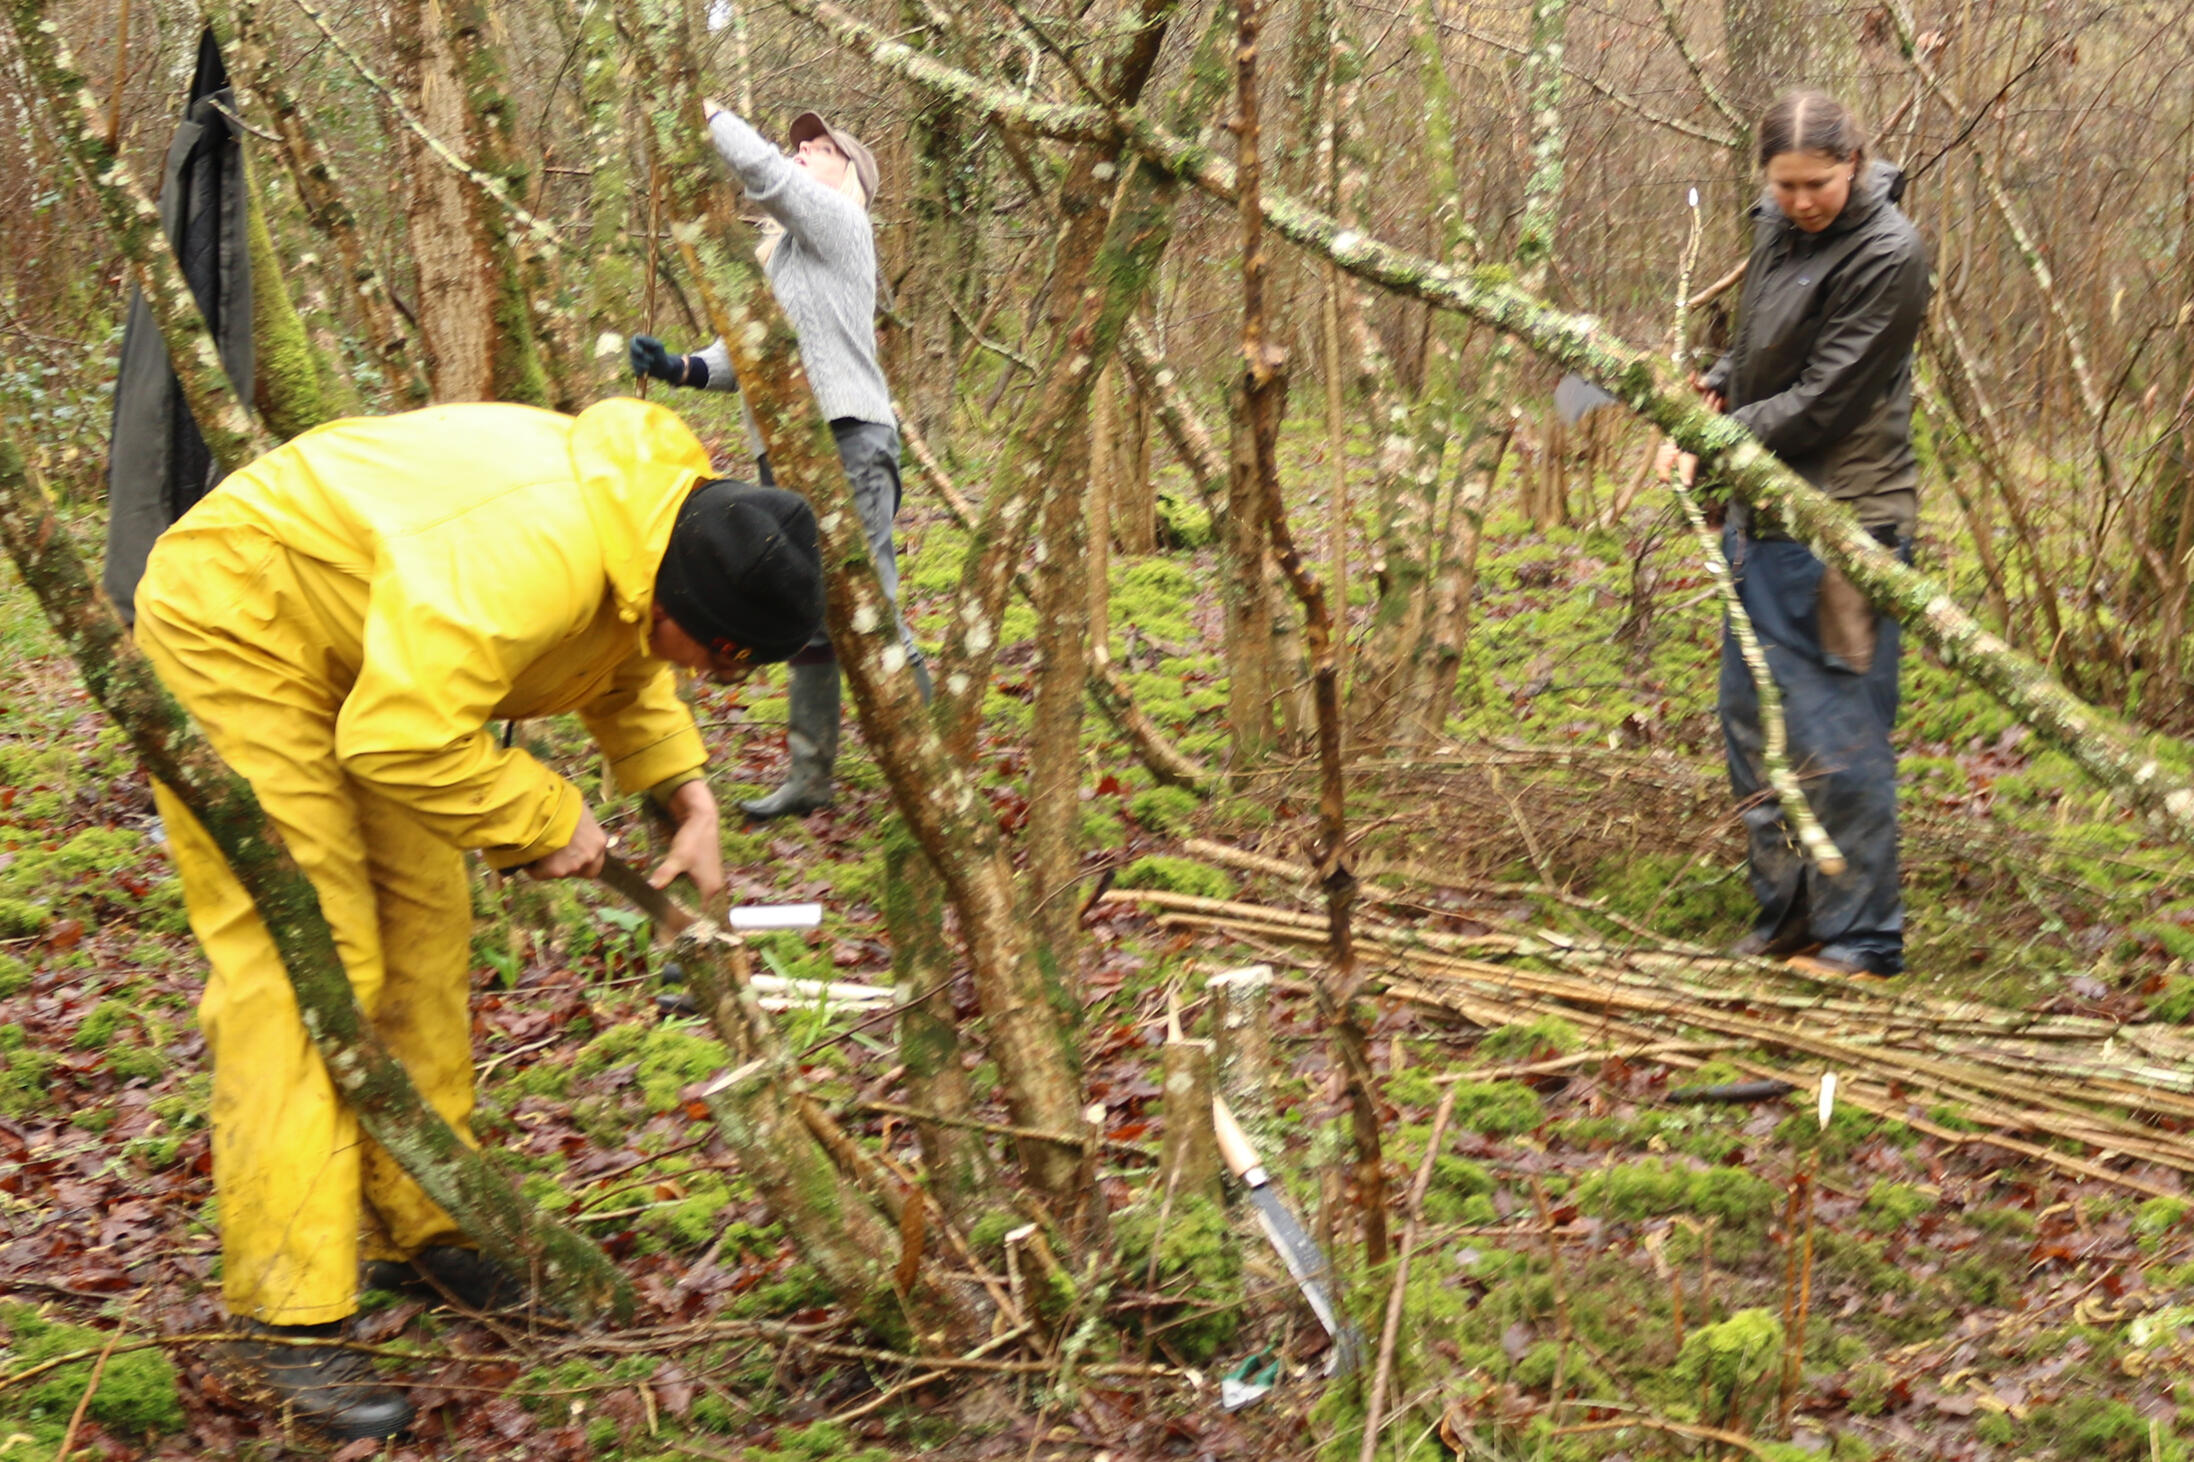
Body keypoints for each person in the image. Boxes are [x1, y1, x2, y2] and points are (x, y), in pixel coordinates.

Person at [131, 398, 824, 1440]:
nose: (707, 679)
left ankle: (427, 1221)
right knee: (308, 953)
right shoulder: (531, 554)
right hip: (240, 617)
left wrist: (686, 791)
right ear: (692, 605)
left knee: (424, 925)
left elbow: (624, 654)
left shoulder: (647, 527)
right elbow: (403, 737)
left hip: (374, 655)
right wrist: (539, 810)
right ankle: (282, 1315)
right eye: (717, 662)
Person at [1683, 91, 1932, 978]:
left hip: (1843, 522)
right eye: (1783, 186)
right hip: (1761, 509)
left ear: (1855, 163)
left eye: (1816, 184)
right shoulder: (1775, 226)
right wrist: (1715, 382)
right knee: (1751, 720)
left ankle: (1861, 939)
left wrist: (1709, 439)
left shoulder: (1888, 252)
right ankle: (1786, 915)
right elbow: (1761, 341)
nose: (1799, 202)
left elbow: (1829, 396)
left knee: (1836, 730)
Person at [629, 103, 926, 822]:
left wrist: (709, 115)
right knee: (813, 618)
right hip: (788, 452)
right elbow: (750, 356)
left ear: (849, 176)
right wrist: (677, 367)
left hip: (850, 437)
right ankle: (809, 780)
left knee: (870, 606)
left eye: (822, 147)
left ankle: (936, 763)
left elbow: (765, 177)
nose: (803, 152)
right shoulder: (787, 258)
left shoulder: (842, 225)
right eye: (802, 143)